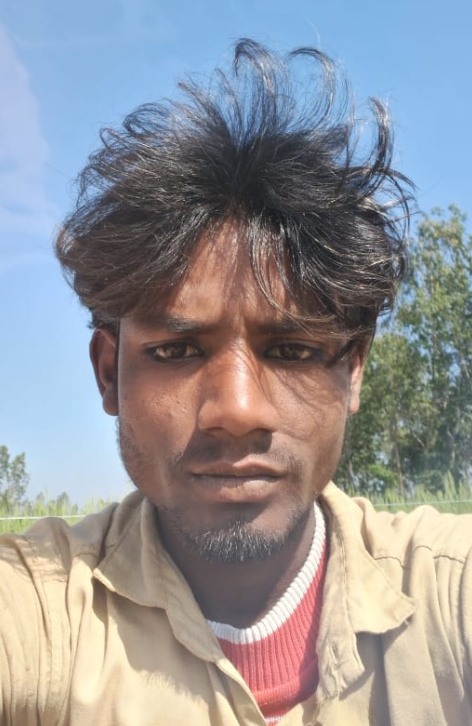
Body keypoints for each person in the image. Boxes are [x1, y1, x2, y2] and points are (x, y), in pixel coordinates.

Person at [1, 39, 471, 726]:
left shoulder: (448, 592)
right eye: (176, 350)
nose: (239, 409)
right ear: (108, 373)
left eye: (293, 350)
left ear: (353, 371)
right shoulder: (39, 611)